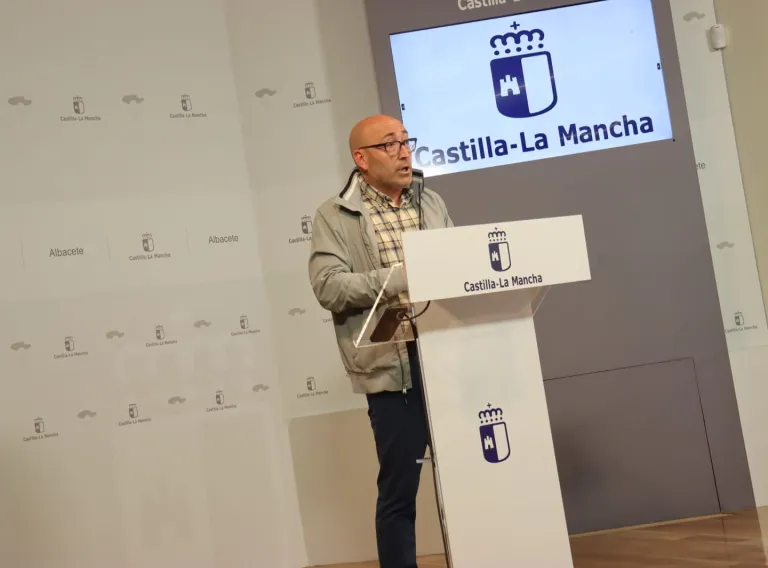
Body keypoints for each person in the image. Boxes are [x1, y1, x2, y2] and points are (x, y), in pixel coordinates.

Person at [308, 114, 453, 568]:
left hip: (448, 356)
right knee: (399, 491)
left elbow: (458, 263)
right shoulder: (335, 215)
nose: (404, 152)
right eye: (390, 144)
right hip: (394, 367)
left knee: (469, 476)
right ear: (362, 159)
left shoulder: (430, 202)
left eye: (406, 141)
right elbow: (328, 286)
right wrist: (398, 279)